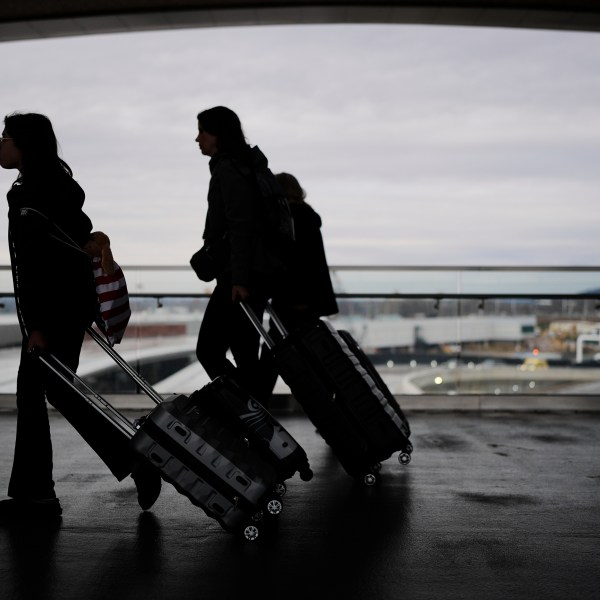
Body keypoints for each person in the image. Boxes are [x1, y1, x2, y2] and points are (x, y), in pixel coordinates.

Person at [0, 112, 160, 520]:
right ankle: (132, 461)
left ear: (25, 145)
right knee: (55, 392)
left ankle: (37, 497)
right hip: (70, 306)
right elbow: (79, 243)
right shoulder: (60, 186)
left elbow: (38, 265)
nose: (0, 145)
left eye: (6, 138)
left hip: (51, 312)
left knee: (34, 395)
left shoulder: (31, 194)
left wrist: (37, 326)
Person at [194, 106, 283, 399]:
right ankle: (255, 415)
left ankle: (247, 409)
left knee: (208, 349)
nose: (197, 139)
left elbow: (241, 224)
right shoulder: (249, 165)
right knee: (245, 354)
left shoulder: (230, 168)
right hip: (256, 272)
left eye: (202, 131)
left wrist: (240, 279)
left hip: (240, 276)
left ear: (217, 134)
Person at [257, 172, 339, 406]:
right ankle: (334, 406)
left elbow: (295, 262)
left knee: (273, 352)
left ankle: (257, 404)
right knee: (309, 354)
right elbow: (312, 263)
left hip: (293, 298)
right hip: (308, 299)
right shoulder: (308, 217)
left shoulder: (291, 218)